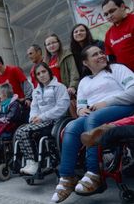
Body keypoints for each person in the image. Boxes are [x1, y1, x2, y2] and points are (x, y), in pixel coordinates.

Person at [51, 45, 134, 203]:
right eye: (95, 54)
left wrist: (106, 102)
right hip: (95, 114)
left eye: (101, 53)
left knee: (92, 119)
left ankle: (94, 173)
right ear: (85, 62)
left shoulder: (116, 69)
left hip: (123, 107)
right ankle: (67, 177)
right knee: (71, 127)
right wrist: (81, 110)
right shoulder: (84, 82)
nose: (101, 56)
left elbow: (133, 91)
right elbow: (82, 104)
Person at [15, 62, 70, 175]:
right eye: (38, 74)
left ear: (49, 72)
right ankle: (30, 162)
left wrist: (42, 117)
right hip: (41, 121)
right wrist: (32, 117)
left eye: (44, 72)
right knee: (19, 132)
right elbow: (34, 107)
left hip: (56, 121)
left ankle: (34, 163)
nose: (41, 75)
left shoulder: (59, 87)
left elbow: (62, 108)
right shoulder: (36, 91)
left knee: (24, 131)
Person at [44, 33, 80, 118]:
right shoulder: (45, 61)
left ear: (59, 43)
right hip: (54, 96)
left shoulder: (67, 55)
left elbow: (73, 72)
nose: (51, 45)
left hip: (67, 92)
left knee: (73, 116)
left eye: (53, 42)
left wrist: (72, 86)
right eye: (48, 44)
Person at [103, 0, 134, 71]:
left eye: (112, 11)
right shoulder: (108, 34)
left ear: (122, 6)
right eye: (106, 14)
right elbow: (112, 59)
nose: (109, 16)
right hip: (127, 78)